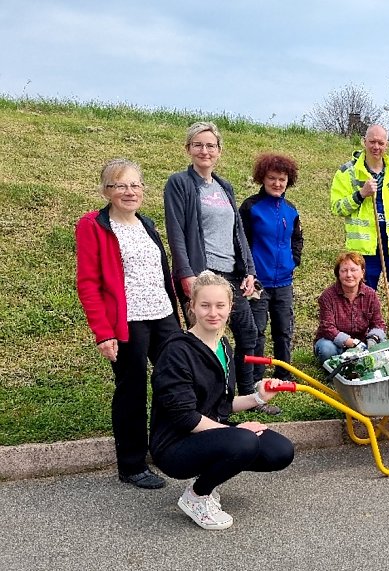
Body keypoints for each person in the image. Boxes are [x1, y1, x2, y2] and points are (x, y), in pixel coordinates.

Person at [150, 271, 294, 531]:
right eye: (205, 305)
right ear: (192, 306)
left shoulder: (224, 346)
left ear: (230, 307)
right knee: (245, 440)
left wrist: (258, 397)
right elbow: (186, 418)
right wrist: (236, 431)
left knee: (280, 451)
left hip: (207, 434)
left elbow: (223, 405)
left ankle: (208, 479)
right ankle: (196, 496)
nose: (213, 313)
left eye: (220, 306)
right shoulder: (176, 351)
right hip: (174, 445)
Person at [76, 158, 180, 490]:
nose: (129, 191)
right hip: (127, 321)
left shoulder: (147, 223)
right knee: (132, 389)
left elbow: (162, 275)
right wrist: (103, 332)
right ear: (106, 190)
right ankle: (132, 464)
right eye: (120, 185)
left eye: (135, 184)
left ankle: (166, 449)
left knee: (172, 382)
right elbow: (88, 283)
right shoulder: (94, 225)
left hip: (162, 315)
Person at [163, 121, 279, 414]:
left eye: (210, 145)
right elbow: (176, 231)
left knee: (248, 333)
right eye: (198, 145)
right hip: (202, 274)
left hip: (230, 274)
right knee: (201, 339)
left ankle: (249, 396)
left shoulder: (224, 186)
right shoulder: (180, 183)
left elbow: (238, 231)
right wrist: (187, 275)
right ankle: (202, 401)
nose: (205, 150)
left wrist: (249, 271)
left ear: (219, 150)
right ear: (188, 149)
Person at [330, 124, 389, 337]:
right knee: (362, 294)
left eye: (381, 143)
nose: (376, 146)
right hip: (364, 247)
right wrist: (360, 194)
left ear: (386, 145)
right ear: (364, 142)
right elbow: (337, 207)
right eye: (372, 141)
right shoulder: (347, 172)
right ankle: (366, 338)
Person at [239, 153, 303, 382]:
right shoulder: (250, 207)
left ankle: (284, 374)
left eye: (282, 179)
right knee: (257, 331)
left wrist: (293, 260)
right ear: (262, 179)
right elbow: (241, 241)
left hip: (284, 281)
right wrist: (248, 270)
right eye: (272, 178)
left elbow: (297, 238)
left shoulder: (291, 210)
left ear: (288, 181)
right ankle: (256, 378)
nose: (277, 183)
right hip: (257, 282)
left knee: (283, 330)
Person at [314, 252, 387, 364]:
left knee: (382, 347)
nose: (349, 275)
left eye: (353, 270)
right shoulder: (327, 297)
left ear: (362, 273)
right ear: (338, 274)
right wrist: (351, 342)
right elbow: (328, 328)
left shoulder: (371, 294)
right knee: (326, 349)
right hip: (334, 343)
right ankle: (336, 369)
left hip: (362, 343)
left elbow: (378, 324)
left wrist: (373, 340)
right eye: (344, 271)